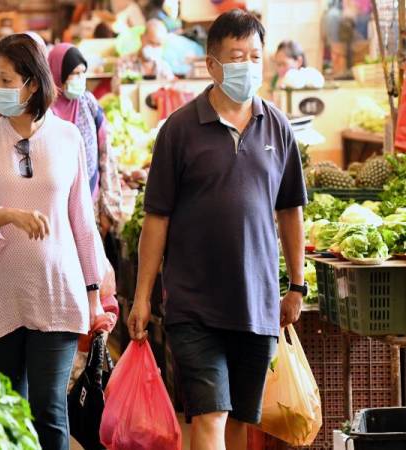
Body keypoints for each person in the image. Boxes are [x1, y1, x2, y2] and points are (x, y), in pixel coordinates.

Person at [127, 9, 307, 450]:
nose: (247, 65)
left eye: (255, 56)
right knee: (209, 415)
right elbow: (157, 217)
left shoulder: (277, 127)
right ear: (212, 64)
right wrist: (143, 297)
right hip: (194, 303)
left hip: (256, 301)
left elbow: (290, 211)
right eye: (236, 56)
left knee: (239, 424)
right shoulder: (180, 130)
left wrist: (297, 286)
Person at [0, 34, 104, 450]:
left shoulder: (69, 138)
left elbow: (82, 222)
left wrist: (94, 291)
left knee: (50, 410)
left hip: (56, 292)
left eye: (4, 79)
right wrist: (6, 215)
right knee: (5, 412)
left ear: (32, 83)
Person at [48, 43, 122, 237]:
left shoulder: (88, 103)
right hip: (55, 209)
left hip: (91, 204)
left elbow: (106, 153)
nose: (81, 79)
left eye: (83, 72)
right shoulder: (45, 112)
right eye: (74, 73)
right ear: (58, 73)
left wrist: (109, 207)